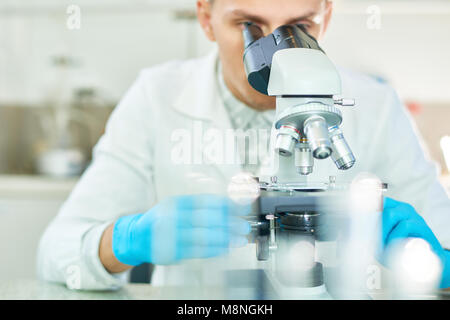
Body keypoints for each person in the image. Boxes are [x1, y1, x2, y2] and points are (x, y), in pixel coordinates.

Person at [37, 0, 450, 290]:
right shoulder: (156, 95)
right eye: (247, 25)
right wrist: (125, 240)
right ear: (205, 16)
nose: (273, 54)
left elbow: (443, 242)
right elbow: (54, 252)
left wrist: (438, 264)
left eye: (298, 29)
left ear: (327, 13)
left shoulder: (377, 103)